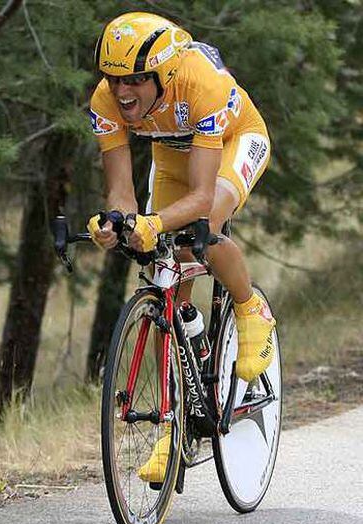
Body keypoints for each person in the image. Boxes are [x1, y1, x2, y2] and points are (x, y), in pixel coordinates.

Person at [87, 12, 276, 483]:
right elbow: (121, 194)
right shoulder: (105, 102)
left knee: (200, 233)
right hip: (172, 156)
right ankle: (173, 430)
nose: (121, 92)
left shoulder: (202, 86)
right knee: (163, 280)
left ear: (164, 74)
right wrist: (116, 223)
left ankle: (251, 308)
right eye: (113, 80)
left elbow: (202, 198)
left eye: (133, 80)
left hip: (233, 144)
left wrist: (153, 222)